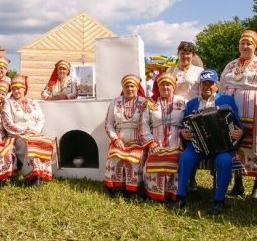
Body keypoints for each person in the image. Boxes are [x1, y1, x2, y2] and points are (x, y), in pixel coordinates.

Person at [218, 30, 257, 201]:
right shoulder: (230, 65)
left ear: (255, 46)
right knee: (235, 144)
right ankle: (238, 183)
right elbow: (221, 87)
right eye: (242, 43)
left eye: (249, 43)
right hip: (232, 111)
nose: (245, 46)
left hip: (255, 111)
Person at [176, 70, 243, 213]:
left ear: (217, 85)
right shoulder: (192, 104)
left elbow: (238, 123)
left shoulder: (227, 100)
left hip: (222, 145)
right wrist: (183, 132)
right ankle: (180, 196)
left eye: (211, 83)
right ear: (200, 86)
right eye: (205, 83)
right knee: (186, 158)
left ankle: (219, 201)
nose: (208, 86)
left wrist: (240, 132)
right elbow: (184, 124)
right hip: (197, 144)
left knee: (224, 160)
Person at [104, 74, 155, 196]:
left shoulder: (144, 103)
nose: (129, 89)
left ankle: (131, 190)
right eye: (127, 86)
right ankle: (111, 188)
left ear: (137, 87)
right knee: (114, 159)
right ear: (123, 87)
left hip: (138, 142)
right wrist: (115, 139)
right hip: (119, 140)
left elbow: (150, 124)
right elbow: (108, 124)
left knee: (133, 161)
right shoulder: (115, 102)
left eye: (132, 86)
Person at [2, 75, 56, 185]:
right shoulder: (8, 103)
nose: (16, 91)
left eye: (19, 88)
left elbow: (41, 118)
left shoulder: (33, 102)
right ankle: (32, 176)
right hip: (17, 134)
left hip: (35, 132)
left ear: (24, 89)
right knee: (30, 144)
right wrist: (25, 131)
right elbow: (7, 122)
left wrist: (35, 130)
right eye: (14, 88)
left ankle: (40, 173)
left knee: (46, 142)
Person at [143, 73, 186, 202]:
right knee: (155, 157)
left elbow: (189, 121)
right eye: (162, 84)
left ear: (173, 87)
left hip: (177, 142)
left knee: (175, 158)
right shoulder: (150, 103)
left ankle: (173, 194)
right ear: (157, 86)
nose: (165, 87)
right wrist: (151, 143)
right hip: (157, 142)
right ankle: (155, 194)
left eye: (168, 84)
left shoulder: (183, 101)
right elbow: (143, 125)